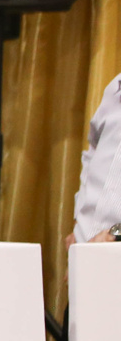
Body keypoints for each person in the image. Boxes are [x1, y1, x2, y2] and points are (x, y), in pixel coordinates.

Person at [70, 72, 121, 246]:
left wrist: (115, 233)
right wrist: (79, 219)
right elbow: (92, 152)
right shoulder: (115, 87)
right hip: (84, 246)